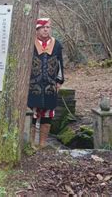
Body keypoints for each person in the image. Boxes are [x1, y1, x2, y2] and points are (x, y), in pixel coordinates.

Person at [27, 18, 64, 149]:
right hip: (32, 87)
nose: (46, 30)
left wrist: (59, 82)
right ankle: (31, 144)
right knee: (32, 115)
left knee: (47, 117)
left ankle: (42, 144)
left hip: (49, 86)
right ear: (37, 30)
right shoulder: (30, 44)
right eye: (43, 28)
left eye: (48, 27)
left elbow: (60, 64)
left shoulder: (57, 45)